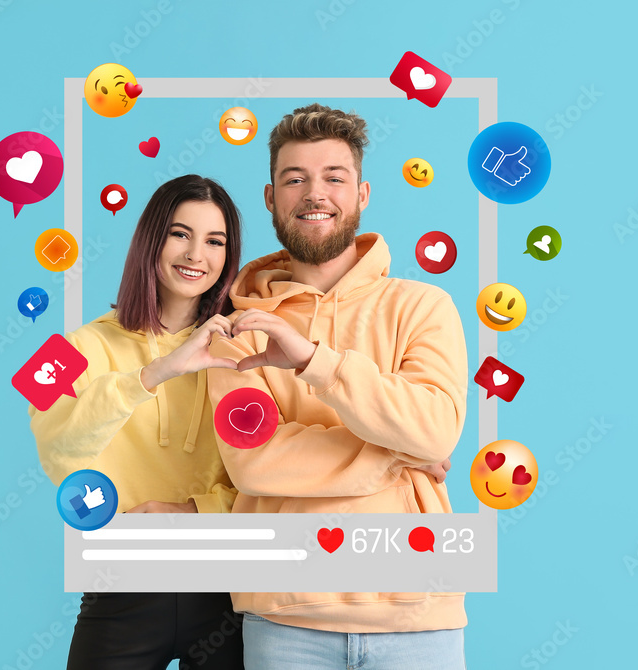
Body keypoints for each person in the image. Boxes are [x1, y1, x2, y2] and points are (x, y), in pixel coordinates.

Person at [207, 104, 469, 669]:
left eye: (334, 177)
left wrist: (313, 363)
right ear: (271, 198)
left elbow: (436, 427)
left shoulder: (423, 307)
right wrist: (397, 452)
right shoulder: (234, 325)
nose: (314, 193)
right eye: (294, 178)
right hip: (284, 620)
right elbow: (254, 462)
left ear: (363, 193)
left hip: (417, 614)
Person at [28, 174, 246, 670]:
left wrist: (197, 511)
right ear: (151, 238)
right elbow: (55, 451)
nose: (197, 254)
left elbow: (277, 467)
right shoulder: (76, 346)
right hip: (120, 587)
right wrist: (154, 373)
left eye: (216, 241)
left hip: (226, 592)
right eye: (180, 233)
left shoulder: (244, 349)